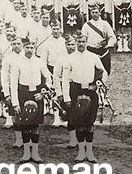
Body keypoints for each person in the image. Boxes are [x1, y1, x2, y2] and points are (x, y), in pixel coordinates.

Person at [60, 31, 107, 163]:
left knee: (90, 123)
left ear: (86, 42)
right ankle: (81, 152)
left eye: (83, 41)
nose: (81, 44)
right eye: (78, 42)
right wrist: (67, 98)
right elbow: (64, 79)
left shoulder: (94, 57)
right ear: (75, 42)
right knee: (79, 123)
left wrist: (97, 84)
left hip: (91, 91)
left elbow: (104, 73)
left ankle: (90, 152)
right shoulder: (70, 58)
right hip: (76, 90)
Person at [10, 38, 52, 163]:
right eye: (27, 47)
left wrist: (43, 93)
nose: (29, 50)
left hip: (36, 95)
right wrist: (15, 103)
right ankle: (26, 154)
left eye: (31, 47)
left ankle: (35, 153)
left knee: (35, 126)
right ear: (24, 48)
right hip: (23, 94)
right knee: (24, 125)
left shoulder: (39, 62)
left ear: (34, 48)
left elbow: (48, 78)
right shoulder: (17, 62)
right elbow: (13, 84)